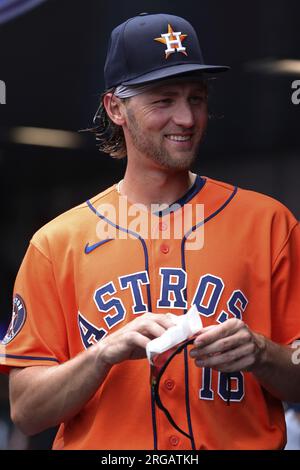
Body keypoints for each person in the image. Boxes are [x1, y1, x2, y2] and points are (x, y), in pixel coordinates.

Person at [0, 12, 300, 451]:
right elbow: (26, 412)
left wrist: (262, 353)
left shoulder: (270, 223)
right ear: (115, 107)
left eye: (196, 98)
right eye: (163, 100)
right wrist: (102, 354)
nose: (186, 117)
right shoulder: (55, 244)